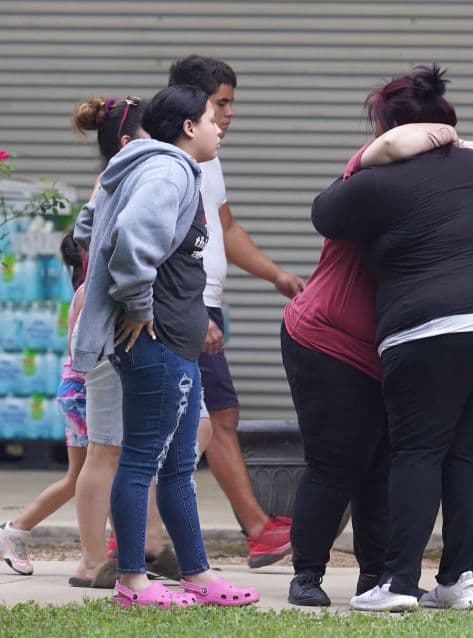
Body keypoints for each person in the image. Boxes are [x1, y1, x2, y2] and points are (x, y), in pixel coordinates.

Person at [312, 64, 473, 613]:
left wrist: (368, 159)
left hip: (432, 325)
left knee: (418, 450)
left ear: (386, 130)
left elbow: (323, 213)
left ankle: (397, 583)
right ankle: (460, 580)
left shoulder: (377, 183)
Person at [73, 84, 258, 608]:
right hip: (155, 342)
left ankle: (197, 573)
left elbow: (88, 226)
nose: (220, 127)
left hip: (178, 341)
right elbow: (128, 239)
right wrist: (136, 306)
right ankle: (132, 581)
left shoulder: (158, 168)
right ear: (188, 127)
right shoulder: (166, 171)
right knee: (140, 462)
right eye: (212, 118)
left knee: (177, 467)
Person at [281, 121, 458, 607]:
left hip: (387, 349)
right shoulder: (367, 180)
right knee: (335, 463)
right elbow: (386, 145)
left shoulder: (437, 195)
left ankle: (376, 578)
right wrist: (450, 136)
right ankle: (306, 574)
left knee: (382, 467)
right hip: (325, 340)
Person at [167, 55, 304, 568]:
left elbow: (225, 229)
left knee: (208, 419)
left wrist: (276, 276)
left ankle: (139, 539)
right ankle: (258, 529)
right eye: (220, 103)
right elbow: (161, 245)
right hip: (189, 307)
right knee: (210, 420)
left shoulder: (208, 158)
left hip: (202, 305)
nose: (229, 114)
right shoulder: (171, 161)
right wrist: (191, 309)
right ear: (192, 106)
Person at [67, 95, 179, 588]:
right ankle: (92, 561)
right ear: (131, 140)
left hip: (109, 318)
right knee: (105, 449)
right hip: (112, 320)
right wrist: (136, 304)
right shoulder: (123, 178)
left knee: (128, 447)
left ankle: (147, 543)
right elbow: (103, 242)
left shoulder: (122, 176)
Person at [0, 232, 90, 577]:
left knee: (81, 478)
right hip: (84, 392)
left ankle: (14, 531)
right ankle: (105, 554)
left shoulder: (85, 291)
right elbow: (79, 351)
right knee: (101, 473)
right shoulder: (88, 293)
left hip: (75, 391)